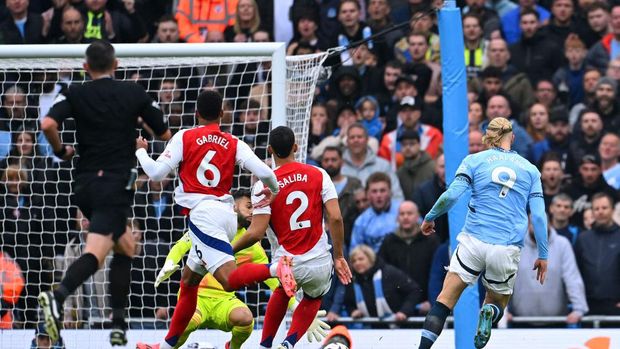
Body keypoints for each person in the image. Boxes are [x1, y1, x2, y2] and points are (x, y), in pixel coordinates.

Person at [38, 40, 171, 346]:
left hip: (84, 186)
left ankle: (119, 324)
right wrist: (139, 138)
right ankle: (58, 297)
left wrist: (61, 150)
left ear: (85, 68)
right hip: (114, 184)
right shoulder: (132, 93)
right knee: (96, 256)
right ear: (117, 65)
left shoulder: (75, 91)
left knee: (126, 247)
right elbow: (164, 132)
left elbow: (47, 123)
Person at [132, 89, 279, 349]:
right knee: (189, 282)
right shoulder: (234, 142)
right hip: (227, 214)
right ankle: (165, 347)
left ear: (196, 113)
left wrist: (141, 152)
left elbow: (155, 173)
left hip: (204, 217)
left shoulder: (183, 137)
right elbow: (266, 172)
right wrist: (274, 191)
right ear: (222, 114)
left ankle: (275, 269)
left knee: (228, 280)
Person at [416, 117, 548, 349]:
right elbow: (537, 216)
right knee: (498, 301)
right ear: (512, 137)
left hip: (473, 241)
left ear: (488, 139)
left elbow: (451, 196)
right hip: (506, 246)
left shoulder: (474, 160)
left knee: (445, 299)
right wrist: (543, 254)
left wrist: (430, 217)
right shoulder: (531, 170)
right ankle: (490, 311)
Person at [149, 190, 330, 349]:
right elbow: (180, 246)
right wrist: (170, 262)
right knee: (188, 322)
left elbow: (273, 279)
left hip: (224, 300)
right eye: (249, 206)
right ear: (234, 206)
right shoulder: (211, 224)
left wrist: (296, 306)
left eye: (254, 209)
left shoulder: (251, 243)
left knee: (246, 319)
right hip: (199, 298)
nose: (252, 212)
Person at [225, 126, 352, 349]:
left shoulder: (262, 185)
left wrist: (229, 250)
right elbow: (336, 217)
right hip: (319, 260)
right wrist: (339, 255)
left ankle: (265, 344)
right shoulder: (319, 174)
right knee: (313, 298)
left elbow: (255, 234)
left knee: (282, 290)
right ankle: (289, 343)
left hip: (288, 262)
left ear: (270, 150)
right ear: (296, 146)